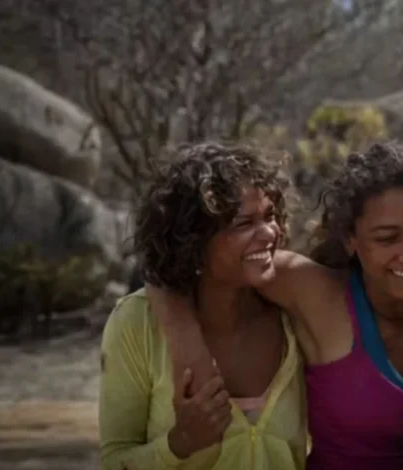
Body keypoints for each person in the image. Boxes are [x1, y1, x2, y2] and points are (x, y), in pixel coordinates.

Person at [147, 141, 403, 470]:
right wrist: (191, 353)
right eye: (387, 238)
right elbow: (178, 265)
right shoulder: (317, 295)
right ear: (350, 239)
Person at [99, 142, 308, 470]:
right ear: (193, 241)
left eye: (270, 216)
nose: (270, 232)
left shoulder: (293, 314)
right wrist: (180, 443)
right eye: (244, 223)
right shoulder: (136, 323)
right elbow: (114, 460)